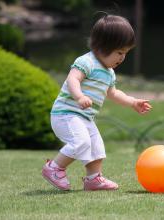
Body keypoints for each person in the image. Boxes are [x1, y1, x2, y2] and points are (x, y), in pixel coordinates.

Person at [42, 14, 152, 191]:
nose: (122, 58)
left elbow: (114, 93)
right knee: (81, 143)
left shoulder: (109, 72)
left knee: (96, 146)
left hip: (85, 118)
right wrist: (79, 97)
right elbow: (72, 79)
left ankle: (93, 179)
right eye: (119, 52)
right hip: (66, 114)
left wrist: (132, 102)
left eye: (125, 53)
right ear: (102, 47)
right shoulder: (87, 61)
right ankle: (54, 168)